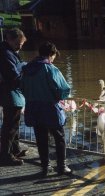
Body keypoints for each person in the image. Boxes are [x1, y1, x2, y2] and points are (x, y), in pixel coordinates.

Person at [21, 41, 72, 176]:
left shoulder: (26, 68)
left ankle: (45, 167)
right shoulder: (50, 69)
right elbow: (64, 89)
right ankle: (62, 167)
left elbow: (22, 87)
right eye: (54, 55)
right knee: (59, 138)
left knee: (41, 138)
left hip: (33, 108)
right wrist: (58, 97)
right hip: (50, 108)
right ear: (51, 54)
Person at [0, 28, 27, 166]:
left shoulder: (8, 51)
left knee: (13, 124)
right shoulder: (6, 54)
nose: (20, 47)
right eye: (18, 43)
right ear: (10, 39)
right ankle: (5, 155)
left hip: (11, 93)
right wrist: (25, 72)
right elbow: (13, 76)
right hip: (10, 94)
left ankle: (14, 149)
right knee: (10, 126)